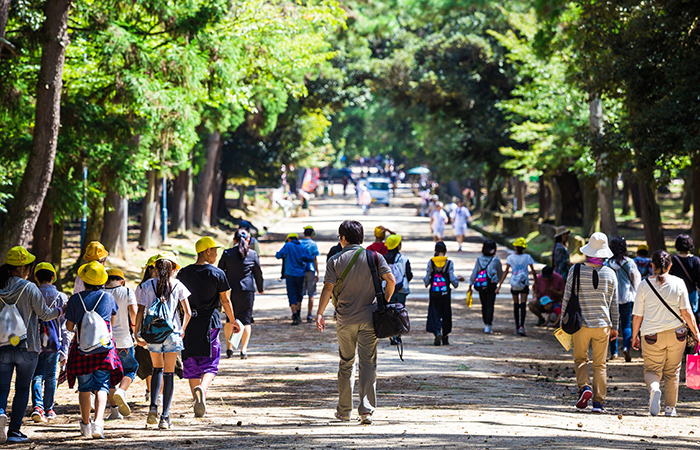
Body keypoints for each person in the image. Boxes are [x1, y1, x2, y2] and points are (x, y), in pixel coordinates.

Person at [316, 220, 396, 424]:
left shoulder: (334, 260)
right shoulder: (375, 257)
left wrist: (319, 313)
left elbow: (327, 288)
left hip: (344, 319)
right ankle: (366, 411)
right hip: (370, 319)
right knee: (368, 363)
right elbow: (391, 280)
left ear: (343, 238)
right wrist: (383, 303)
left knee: (346, 363)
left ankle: (344, 411)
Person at [0, 247, 63, 444]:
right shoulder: (29, 288)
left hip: (2, 345)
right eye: (28, 266)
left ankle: (0, 413)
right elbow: (45, 314)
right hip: (28, 347)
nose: (29, 270)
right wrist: (60, 310)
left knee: (1, 389)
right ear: (21, 267)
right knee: (21, 389)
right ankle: (14, 431)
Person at [632, 250, 700, 417]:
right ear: (670, 265)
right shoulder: (679, 283)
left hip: (651, 335)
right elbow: (686, 312)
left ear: (652, 265)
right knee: (673, 371)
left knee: (651, 370)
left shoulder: (643, 285)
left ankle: (655, 388)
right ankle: (670, 408)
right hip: (678, 334)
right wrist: (696, 333)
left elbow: (638, 315)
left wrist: (634, 336)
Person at [178, 237, 239, 418]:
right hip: (210, 322)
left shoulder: (183, 273)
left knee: (190, 361)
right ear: (207, 251)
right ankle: (202, 390)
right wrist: (233, 320)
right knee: (210, 363)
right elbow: (225, 300)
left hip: (188, 322)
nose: (216, 253)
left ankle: (196, 401)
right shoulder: (217, 273)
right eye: (214, 250)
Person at [562, 232, 619, 413]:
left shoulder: (575, 270)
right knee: (600, 364)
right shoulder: (611, 274)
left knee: (580, 359)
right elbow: (614, 304)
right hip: (603, 325)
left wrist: (563, 319)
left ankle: (584, 387)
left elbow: (567, 297)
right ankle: (598, 403)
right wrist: (615, 326)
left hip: (581, 326)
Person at [64, 261, 122, 439]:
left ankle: (85, 425)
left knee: (84, 387)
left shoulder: (75, 299)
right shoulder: (108, 297)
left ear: (84, 280)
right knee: (102, 386)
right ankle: (98, 424)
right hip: (104, 349)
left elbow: (69, 327)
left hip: (82, 349)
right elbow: (110, 323)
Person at [134, 253, 191, 430]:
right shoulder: (178, 285)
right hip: (172, 333)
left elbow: (140, 312)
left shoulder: (145, 286)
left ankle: (153, 407)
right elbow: (187, 312)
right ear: (173, 269)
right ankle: (165, 417)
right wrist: (182, 330)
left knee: (156, 370)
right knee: (169, 374)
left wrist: (137, 334)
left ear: (156, 269)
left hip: (153, 334)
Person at [30, 263, 69, 423]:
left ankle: (37, 407)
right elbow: (65, 326)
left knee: (36, 374)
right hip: (53, 341)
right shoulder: (61, 297)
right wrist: (65, 349)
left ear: (36, 277)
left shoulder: (32, 293)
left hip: (34, 341)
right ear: (54, 277)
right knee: (51, 376)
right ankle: (49, 409)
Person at [219, 229, 264, 359]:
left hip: (230, 290)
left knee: (229, 319)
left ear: (234, 240)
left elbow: (220, 272)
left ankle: (229, 347)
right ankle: (243, 350)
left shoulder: (227, 253)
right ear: (248, 240)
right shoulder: (253, 254)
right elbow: (258, 273)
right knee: (246, 320)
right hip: (247, 291)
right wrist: (260, 288)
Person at [103, 268, 138, 421]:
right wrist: (137, 332)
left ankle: (115, 412)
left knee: (108, 375)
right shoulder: (128, 292)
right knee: (131, 369)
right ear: (122, 281)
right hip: (124, 340)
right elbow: (134, 314)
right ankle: (122, 391)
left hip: (107, 341)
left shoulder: (102, 294)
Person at [606, 237, 641, 362]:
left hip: (610, 298)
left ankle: (613, 352)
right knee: (626, 324)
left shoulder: (606, 263)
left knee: (612, 325)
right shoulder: (629, 262)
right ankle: (626, 347)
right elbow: (635, 280)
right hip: (627, 297)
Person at [495, 238, 538, 336]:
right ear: (523, 248)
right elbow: (533, 271)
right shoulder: (527, 257)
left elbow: (506, 271)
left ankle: (516, 327)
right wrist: (535, 282)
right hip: (524, 283)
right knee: (523, 305)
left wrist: (499, 286)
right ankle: (522, 326)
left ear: (515, 247)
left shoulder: (510, 258)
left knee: (516, 305)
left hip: (514, 283)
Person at [424, 241, 464, 346]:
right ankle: (445, 336)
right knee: (446, 313)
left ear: (435, 251)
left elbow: (427, 277)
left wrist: (427, 283)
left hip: (434, 292)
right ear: (445, 251)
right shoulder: (448, 263)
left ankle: (437, 332)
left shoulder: (431, 262)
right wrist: (457, 281)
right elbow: (451, 278)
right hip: (446, 293)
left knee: (434, 312)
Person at [275, 233, 313, 325]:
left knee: (291, 294)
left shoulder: (288, 246)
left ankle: (294, 315)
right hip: (300, 274)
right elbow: (310, 258)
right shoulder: (302, 247)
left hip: (290, 274)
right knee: (299, 294)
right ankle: (298, 313)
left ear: (289, 239)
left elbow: (278, 255)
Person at [468, 240, 503, 334]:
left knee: (483, 304)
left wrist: (470, 284)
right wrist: (499, 281)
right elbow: (500, 272)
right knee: (490, 304)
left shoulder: (479, 259)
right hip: (491, 284)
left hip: (481, 284)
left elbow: (475, 271)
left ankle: (485, 323)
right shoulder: (496, 260)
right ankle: (488, 324)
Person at [384, 234, 412, 345]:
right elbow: (409, 275)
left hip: (387, 289)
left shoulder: (383, 259)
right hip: (401, 290)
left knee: (389, 312)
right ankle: (398, 334)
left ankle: (392, 335)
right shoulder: (404, 259)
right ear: (398, 246)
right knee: (400, 312)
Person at [668, 234, 700, 325]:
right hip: (691, 294)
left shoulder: (672, 261)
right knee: (692, 316)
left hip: (676, 294)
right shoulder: (696, 261)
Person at [300, 226, 321, 323]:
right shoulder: (313, 244)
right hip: (311, 270)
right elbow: (314, 259)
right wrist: (317, 272)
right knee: (311, 294)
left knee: (299, 293)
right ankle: (309, 314)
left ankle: (298, 313)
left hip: (300, 271)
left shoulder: (299, 243)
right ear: (312, 233)